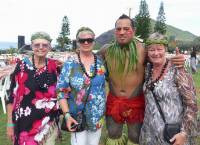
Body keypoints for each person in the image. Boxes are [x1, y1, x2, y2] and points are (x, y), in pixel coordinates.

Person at [97, 14, 186, 145]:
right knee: (113, 133)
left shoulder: (143, 50)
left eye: (126, 29)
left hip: (136, 101)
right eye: (118, 29)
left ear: (134, 31)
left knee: (135, 136)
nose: (122, 32)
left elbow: (160, 61)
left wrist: (177, 60)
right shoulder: (106, 50)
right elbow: (91, 62)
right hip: (114, 101)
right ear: (115, 31)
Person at [139, 32, 198, 145]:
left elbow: (192, 105)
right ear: (147, 52)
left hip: (172, 136)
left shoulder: (178, 70)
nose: (156, 53)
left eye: (159, 49)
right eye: (151, 50)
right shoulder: (147, 69)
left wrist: (184, 134)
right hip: (149, 134)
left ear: (165, 49)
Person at [6, 31, 60, 145]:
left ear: (50, 47)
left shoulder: (55, 66)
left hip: (48, 125)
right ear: (31, 46)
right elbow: (11, 97)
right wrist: (10, 124)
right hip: (24, 124)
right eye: (37, 45)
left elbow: (63, 90)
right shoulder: (20, 67)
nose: (41, 48)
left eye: (45, 45)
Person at [56, 27, 107, 145]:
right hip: (76, 116)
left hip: (97, 116)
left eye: (89, 40)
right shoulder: (70, 64)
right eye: (82, 40)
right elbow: (61, 91)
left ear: (94, 41)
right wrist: (67, 115)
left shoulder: (100, 62)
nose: (86, 42)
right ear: (77, 42)